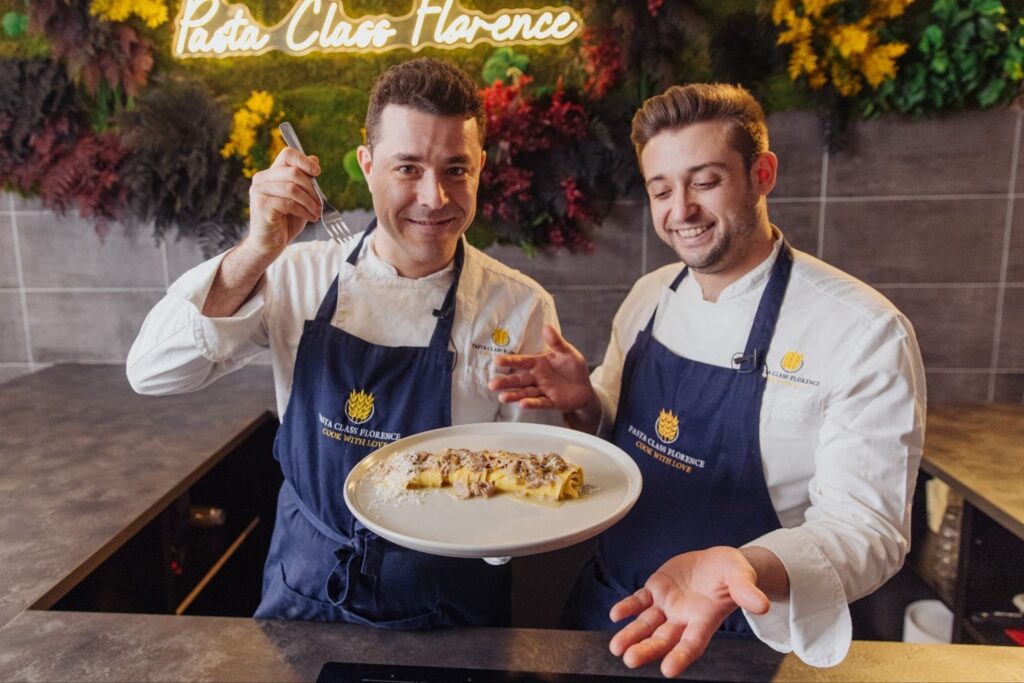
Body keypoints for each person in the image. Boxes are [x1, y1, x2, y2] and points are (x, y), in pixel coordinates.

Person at [489, 83, 926, 675]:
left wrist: (748, 567)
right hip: (610, 608)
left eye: (706, 181)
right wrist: (586, 404)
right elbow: (624, 436)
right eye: (661, 189)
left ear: (763, 173)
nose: (681, 210)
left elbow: (868, 529)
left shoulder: (862, 331)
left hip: (741, 634)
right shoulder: (649, 296)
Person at [127, 58, 561, 628]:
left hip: (447, 600)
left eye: (456, 169)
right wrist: (255, 251)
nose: (434, 197)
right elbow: (153, 372)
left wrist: (474, 540)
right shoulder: (293, 275)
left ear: (480, 167)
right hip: (305, 582)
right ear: (366, 166)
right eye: (408, 167)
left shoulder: (519, 306)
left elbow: (527, 480)